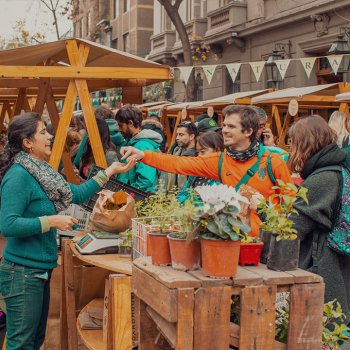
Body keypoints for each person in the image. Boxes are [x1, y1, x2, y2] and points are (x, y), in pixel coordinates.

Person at [0, 112, 135, 350]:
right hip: (22, 273)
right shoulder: (19, 176)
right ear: (27, 142)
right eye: (43, 132)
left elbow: (75, 194)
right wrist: (50, 221)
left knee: (35, 340)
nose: (50, 136)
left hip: (38, 270)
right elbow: (8, 225)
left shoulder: (41, 171)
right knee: (21, 343)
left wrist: (110, 172)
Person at [121, 105, 292, 236]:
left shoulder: (272, 162)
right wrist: (143, 154)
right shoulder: (219, 161)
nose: (224, 130)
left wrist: (265, 208)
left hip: (265, 247)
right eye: (224, 125)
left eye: (231, 126)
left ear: (248, 131)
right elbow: (178, 163)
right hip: (232, 243)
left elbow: (291, 208)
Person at [288, 115, 350, 322]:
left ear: (305, 144)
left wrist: (261, 211)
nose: (291, 150)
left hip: (323, 268)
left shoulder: (321, 179)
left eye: (293, 143)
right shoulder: (340, 171)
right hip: (339, 265)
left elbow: (291, 230)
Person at [116, 105, 162, 192]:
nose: (119, 129)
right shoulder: (133, 143)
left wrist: (128, 194)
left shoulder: (142, 146)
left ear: (130, 123)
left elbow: (146, 179)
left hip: (139, 199)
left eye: (121, 125)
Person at [178, 131, 223, 204]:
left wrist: (196, 196)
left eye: (203, 151)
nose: (199, 156)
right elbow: (181, 195)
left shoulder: (223, 175)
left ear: (217, 151)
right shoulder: (196, 173)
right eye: (197, 152)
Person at [168, 121, 198, 191]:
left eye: (181, 135)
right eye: (177, 134)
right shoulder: (176, 150)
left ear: (191, 136)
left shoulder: (195, 156)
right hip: (173, 196)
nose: (177, 138)